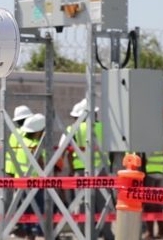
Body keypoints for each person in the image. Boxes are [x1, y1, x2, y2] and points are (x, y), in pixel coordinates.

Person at [60, 100, 114, 239]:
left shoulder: (73, 129)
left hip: (81, 172)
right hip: (102, 171)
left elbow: (62, 150)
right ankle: (107, 234)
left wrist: (69, 169)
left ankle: (83, 235)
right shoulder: (105, 128)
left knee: (84, 205)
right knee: (104, 204)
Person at [14, 113, 46, 240]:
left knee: (26, 209)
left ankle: (29, 233)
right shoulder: (35, 145)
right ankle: (37, 231)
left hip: (22, 182)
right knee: (38, 208)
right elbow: (41, 163)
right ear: (38, 131)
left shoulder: (22, 141)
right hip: (35, 183)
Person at [142, 151, 163, 240]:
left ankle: (150, 233)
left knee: (149, 204)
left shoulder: (147, 137)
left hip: (150, 171)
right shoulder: (159, 137)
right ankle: (161, 232)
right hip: (159, 170)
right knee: (157, 202)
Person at [5, 105, 33, 177]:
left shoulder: (14, 134)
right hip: (35, 178)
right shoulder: (33, 133)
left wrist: (10, 173)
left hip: (19, 179)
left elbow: (10, 156)